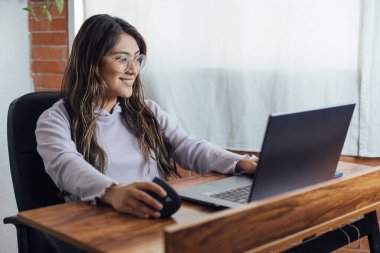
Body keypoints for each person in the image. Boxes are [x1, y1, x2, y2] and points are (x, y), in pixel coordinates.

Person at [35, 14, 258, 219]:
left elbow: (188, 146)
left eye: (137, 59)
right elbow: (66, 164)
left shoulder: (147, 111)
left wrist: (239, 162)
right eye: (122, 59)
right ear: (91, 63)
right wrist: (114, 192)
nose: (134, 69)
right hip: (99, 220)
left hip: (153, 214)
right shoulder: (55, 119)